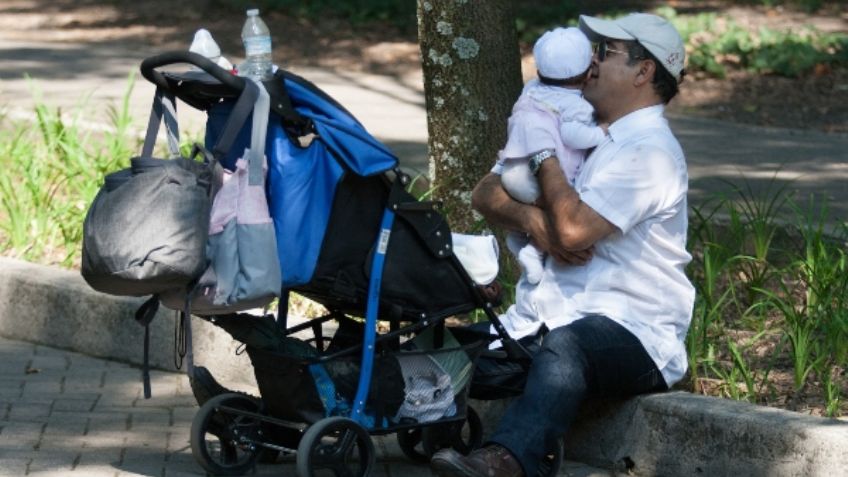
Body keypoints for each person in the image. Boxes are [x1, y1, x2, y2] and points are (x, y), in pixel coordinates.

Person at [431, 12, 695, 477]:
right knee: (437, 345)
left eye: (604, 52)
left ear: (643, 71)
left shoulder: (650, 152)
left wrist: (543, 154)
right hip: (549, 316)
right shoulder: (577, 115)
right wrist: (534, 221)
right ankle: (311, 421)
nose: (589, 63)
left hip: (633, 330)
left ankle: (508, 460)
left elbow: (572, 232)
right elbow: (486, 193)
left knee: (567, 346)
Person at [499, 26, 608, 286]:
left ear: (539, 70)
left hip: (511, 168)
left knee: (531, 209)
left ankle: (516, 235)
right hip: (533, 177)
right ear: (587, 74)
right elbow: (572, 135)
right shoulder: (577, 105)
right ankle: (533, 250)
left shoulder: (532, 88)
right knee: (556, 206)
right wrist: (600, 134)